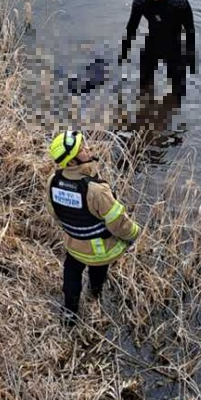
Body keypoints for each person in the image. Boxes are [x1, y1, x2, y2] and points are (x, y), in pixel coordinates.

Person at [46, 129, 141, 325]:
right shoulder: (96, 190)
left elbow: (54, 213)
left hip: (73, 244)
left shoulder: (53, 181)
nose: (87, 148)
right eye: (81, 149)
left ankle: (70, 313)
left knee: (71, 271)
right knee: (97, 271)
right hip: (101, 251)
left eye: (84, 144)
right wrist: (134, 233)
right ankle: (94, 294)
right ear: (72, 162)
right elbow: (119, 224)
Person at [118, 0, 196, 105]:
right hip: (152, 45)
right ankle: (144, 110)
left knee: (178, 91)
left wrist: (191, 57)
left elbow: (190, 30)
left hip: (175, 48)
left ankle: (175, 120)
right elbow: (131, 28)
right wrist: (124, 51)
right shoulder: (140, 3)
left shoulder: (178, 2)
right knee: (144, 83)